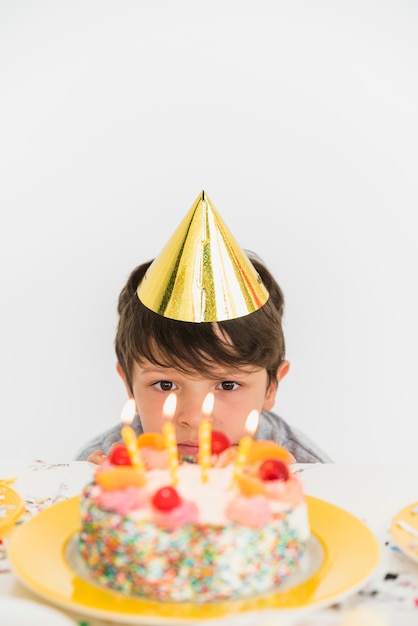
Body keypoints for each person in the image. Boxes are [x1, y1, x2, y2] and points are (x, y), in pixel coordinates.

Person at [75, 193, 331, 464]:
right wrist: (98, 492)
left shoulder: (305, 466)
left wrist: (292, 493)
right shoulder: (107, 460)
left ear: (271, 389)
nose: (195, 418)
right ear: (129, 385)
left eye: (228, 384)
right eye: (165, 384)